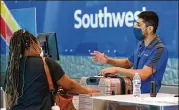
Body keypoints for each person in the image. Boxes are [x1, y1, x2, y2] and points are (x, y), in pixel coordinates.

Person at [3, 29, 101, 110]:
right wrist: (88, 91)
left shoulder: (12, 69)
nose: (39, 46)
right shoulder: (46, 63)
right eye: (37, 42)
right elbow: (70, 86)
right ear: (32, 43)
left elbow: (9, 99)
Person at [91, 11, 168, 94]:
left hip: (148, 97)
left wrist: (116, 69)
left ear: (149, 29)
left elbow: (143, 74)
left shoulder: (160, 49)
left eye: (139, 25)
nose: (135, 27)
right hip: (133, 94)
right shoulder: (140, 45)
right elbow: (127, 63)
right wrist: (108, 60)